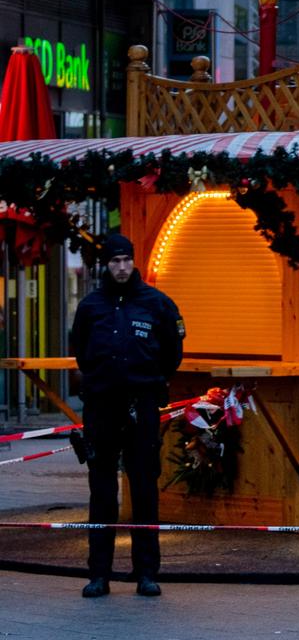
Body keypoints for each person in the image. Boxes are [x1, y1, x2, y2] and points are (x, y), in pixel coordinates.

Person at [67, 233, 184, 598]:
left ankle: (146, 572)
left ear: (134, 262)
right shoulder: (91, 306)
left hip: (142, 403)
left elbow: (173, 352)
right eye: (114, 261)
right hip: (102, 404)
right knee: (101, 489)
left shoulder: (156, 303)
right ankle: (98, 573)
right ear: (106, 264)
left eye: (125, 261)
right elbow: (81, 352)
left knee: (145, 487)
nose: (121, 267)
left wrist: (149, 380)